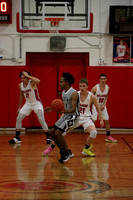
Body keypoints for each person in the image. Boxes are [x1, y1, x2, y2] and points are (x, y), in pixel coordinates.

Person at [42, 78, 104, 157]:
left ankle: (86, 149)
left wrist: (101, 119)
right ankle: (50, 147)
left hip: (86, 118)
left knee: (94, 132)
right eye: (80, 86)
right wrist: (62, 119)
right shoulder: (74, 94)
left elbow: (98, 108)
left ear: (87, 87)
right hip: (74, 117)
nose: (82, 88)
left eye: (84, 86)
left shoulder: (92, 96)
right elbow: (66, 108)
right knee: (61, 134)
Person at [43, 72, 79, 163]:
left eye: (62, 81)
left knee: (58, 133)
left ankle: (68, 152)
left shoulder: (74, 93)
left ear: (67, 83)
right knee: (51, 132)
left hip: (73, 116)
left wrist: (61, 111)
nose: (60, 83)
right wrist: (52, 108)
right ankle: (63, 151)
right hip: (66, 115)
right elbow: (63, 106)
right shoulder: (63, 92)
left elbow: (73, 109)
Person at [9, 71, 51, 144]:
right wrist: (19, 107)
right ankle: (17, 138)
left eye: (24, 77)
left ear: (27, 77)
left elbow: (38, 81)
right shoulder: (20, 85)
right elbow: (21, 96)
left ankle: (48, 137)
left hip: (36, 103)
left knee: (41, 120)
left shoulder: (31, 82)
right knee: (18, 118)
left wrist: (28, 76)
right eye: (21, 78)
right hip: (27, 104)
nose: (22, 79)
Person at [91, 74, 117, 143]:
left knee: (107, 120)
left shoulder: (107, 88)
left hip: (102, 106)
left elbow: (106, 97)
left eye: (104, 79)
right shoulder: (95, 88)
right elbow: (90, 97)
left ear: (106, 80)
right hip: (95, 105)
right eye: (101, 79)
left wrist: (104, 104)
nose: (103, 80)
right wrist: (94, 106)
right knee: (94, 120)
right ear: (99, 79)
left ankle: (108, 136)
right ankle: (91, 135)